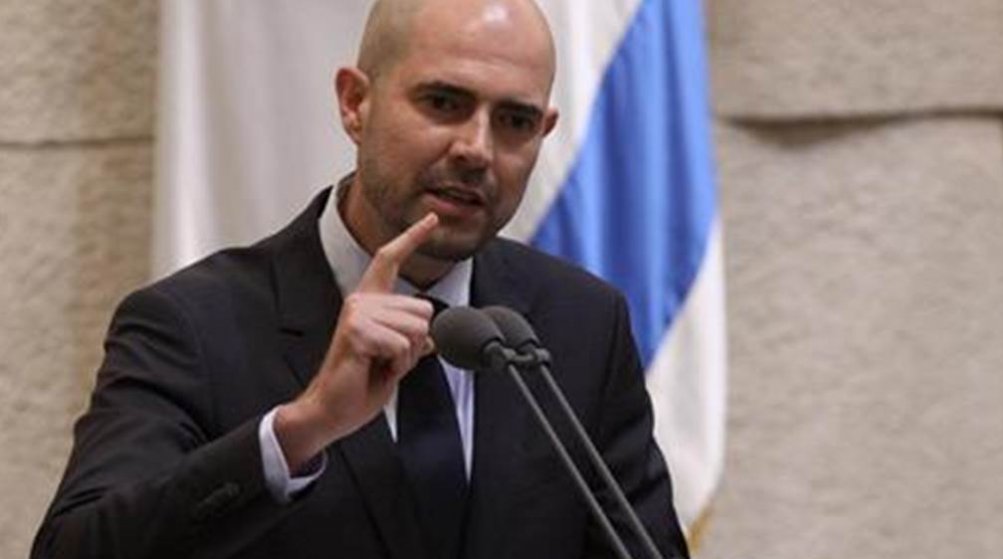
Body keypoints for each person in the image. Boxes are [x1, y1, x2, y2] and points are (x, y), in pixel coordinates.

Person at [33, 0, 688, 557]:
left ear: (544, 132)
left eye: (514, 121)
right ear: (355, 102)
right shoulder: (192, 324)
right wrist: (302, 428)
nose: (476, 149)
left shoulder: (580, 324)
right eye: (443, 102)